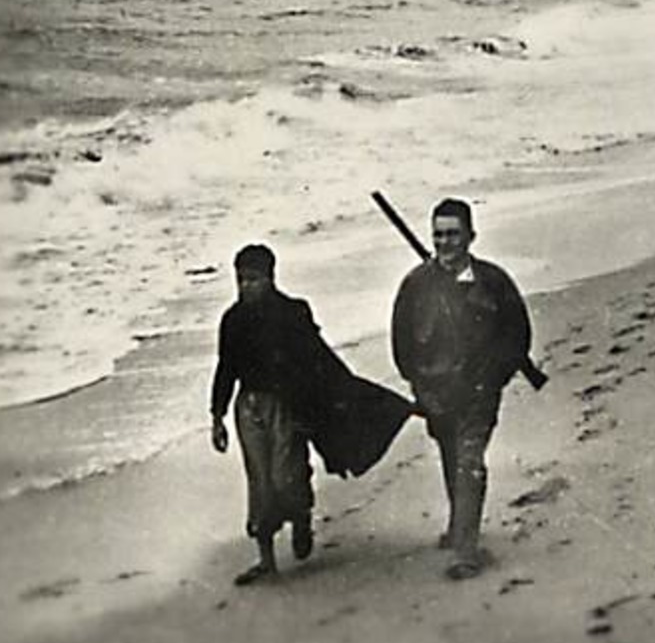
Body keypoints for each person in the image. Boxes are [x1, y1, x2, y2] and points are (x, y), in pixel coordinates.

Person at [211, 244, 415, 586]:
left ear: (271, 278)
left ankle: (301, 515)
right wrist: (216, 416)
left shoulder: (293, 312)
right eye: (241, 280)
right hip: (248, 406)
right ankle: (266, 560)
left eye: (254, 279)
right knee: (259, 481)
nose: (247, 287)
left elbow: (319, 361)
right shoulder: (232, 320)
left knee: (285, 476)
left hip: (288, 406)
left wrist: (345, 396)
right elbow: (225, 369)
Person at [391, 198, 535, 580]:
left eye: (453, 234)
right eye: (438, 235)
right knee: (451, 456)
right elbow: (401, 343)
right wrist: (419, 386)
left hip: (479, 392)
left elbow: (517, 334)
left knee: (469, 460)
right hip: (437, 393)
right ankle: (460, 524)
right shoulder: (416, 285)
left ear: (471, 236)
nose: (445, 242)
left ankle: (466, 550)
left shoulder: (494, 281)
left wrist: (494, 379)